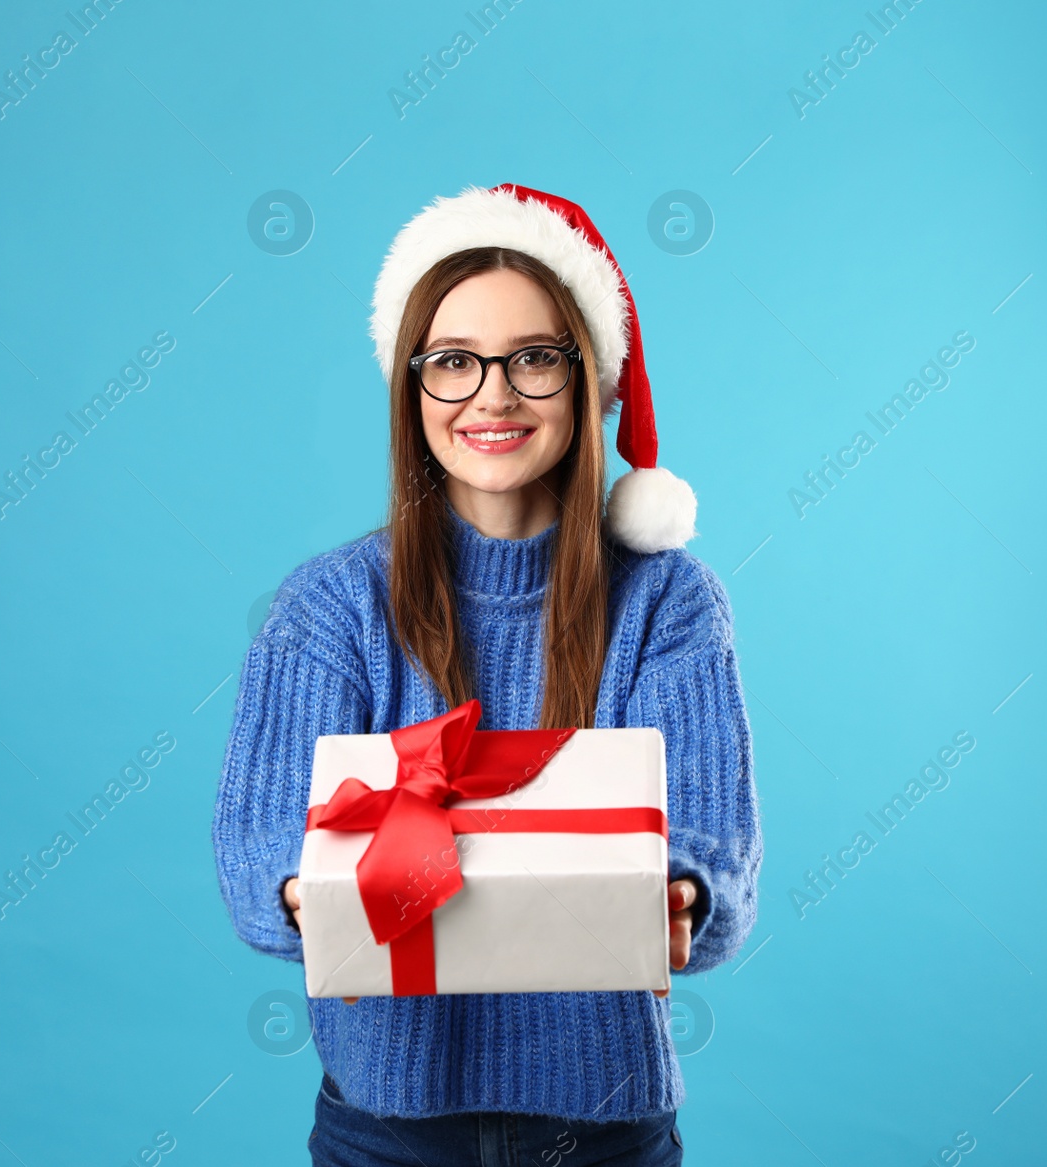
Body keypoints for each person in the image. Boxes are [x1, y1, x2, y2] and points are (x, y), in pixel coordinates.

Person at [213, 183, 762, 1166]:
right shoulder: (331, 607)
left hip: (605, 1128)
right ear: (412, 387)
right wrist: (313, 889)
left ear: (591, 384)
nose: (493, 394)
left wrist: (680, 895)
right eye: (454, 360)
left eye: (535, 358)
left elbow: (709, 849)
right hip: (386, 1127)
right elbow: (259, 852)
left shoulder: (669, 604)